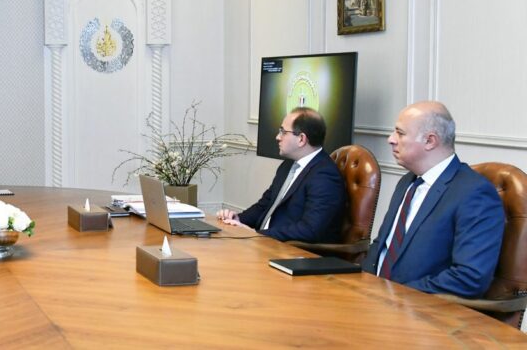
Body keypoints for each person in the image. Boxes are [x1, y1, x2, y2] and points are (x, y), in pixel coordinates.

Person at [362, 101, 504, 298]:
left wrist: (397, 294)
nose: (391, 139)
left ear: (430, 141)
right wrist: (363, 286)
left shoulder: (474, 193)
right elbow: (382, 245)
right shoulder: (408, 181)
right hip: (372, 298)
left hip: (418, 308)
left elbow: (470, 277)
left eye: (400, 133)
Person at [216, 107, 346, 242]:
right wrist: (238, 219)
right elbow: (264, 205)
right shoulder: (288, 165)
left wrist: (257, 235)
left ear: (301, 139)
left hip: (294, 251)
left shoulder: (325, 175)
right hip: (266, 242)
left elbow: (309, 230)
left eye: (283, 132)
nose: (277, 137)